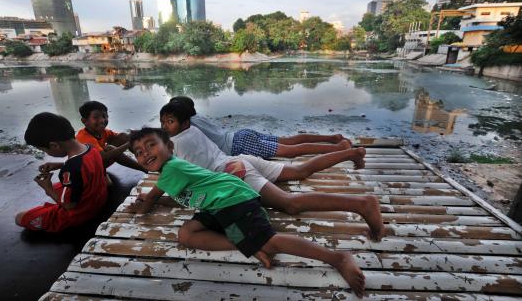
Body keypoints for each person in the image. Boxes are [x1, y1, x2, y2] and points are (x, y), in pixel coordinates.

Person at [126, 127, 366, 297]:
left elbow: (151, 201)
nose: (145, 153)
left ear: (168, 146)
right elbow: (177, 198)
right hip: (217, 205)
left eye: (150, 145)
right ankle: (249, 244)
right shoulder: (170, 173)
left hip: (233, 200)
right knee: (187, 233)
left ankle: (337, 258)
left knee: (272, 242)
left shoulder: (170, 170)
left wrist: (141, 207)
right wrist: (154, 201)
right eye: (138, 152)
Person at [159, 101, 384, 241]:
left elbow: (166, 180)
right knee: (300, 171)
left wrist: (152, 199)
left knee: (290, 203)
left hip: (235, 174)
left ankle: (362, 204)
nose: (164, 127)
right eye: (162, 123)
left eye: (168, 122)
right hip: (238, 160)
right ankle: (350, 153)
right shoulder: (192, 131)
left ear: (184, 121)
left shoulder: (176, 145)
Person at [170, 96, 353, 158]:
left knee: (291, 151)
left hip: (238, 146)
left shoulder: (188, 128)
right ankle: (332, 138)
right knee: (290, 141)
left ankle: (338, 148)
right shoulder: (198, 117)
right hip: (240, 135)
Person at [15, 112, 108, 232]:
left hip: (81, 214)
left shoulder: (70, 170)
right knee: (59, 187)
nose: (46, 153)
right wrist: (60, 165)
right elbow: (84, 167)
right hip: (98, 200)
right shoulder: (91, 148)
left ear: (54, 146)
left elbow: (70, 205)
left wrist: (47, 189)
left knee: (20, 217)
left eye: (44, 150)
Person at [76, 101, 146, 173]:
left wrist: (135, 135)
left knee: (124, 136)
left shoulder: (103, 131)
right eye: (96, 117)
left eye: (104, 116)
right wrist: (129, 143)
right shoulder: (84, 137)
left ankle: (147, 160)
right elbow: (104, 156)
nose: (102, 120)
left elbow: (123, 138)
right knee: (110, 149)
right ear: (84, 121)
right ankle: (145, 169)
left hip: (99, 164)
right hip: (88, 170)